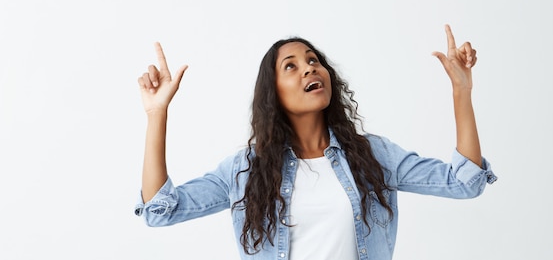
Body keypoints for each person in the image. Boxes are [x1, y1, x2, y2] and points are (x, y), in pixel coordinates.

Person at [134, 25, 497, 260]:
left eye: (313, 60)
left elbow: (464, 182)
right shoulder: (246, 171)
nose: (309, 68)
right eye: (291, 66)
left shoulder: (374, 157)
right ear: (272, 93)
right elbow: (160, 210)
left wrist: (461, 91)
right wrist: (157, 114)